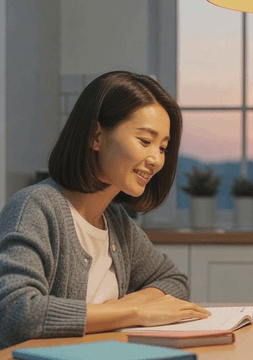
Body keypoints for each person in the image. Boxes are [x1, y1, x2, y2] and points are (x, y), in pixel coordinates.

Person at [0, 71, 211, 349]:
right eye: (145, 141)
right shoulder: (36, 208)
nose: (156, 159)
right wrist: (134, 313)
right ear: (96, 136)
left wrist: (132, 302)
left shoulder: (116, 222)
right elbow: (17, 313)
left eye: (163, 147)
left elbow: (173, 281)